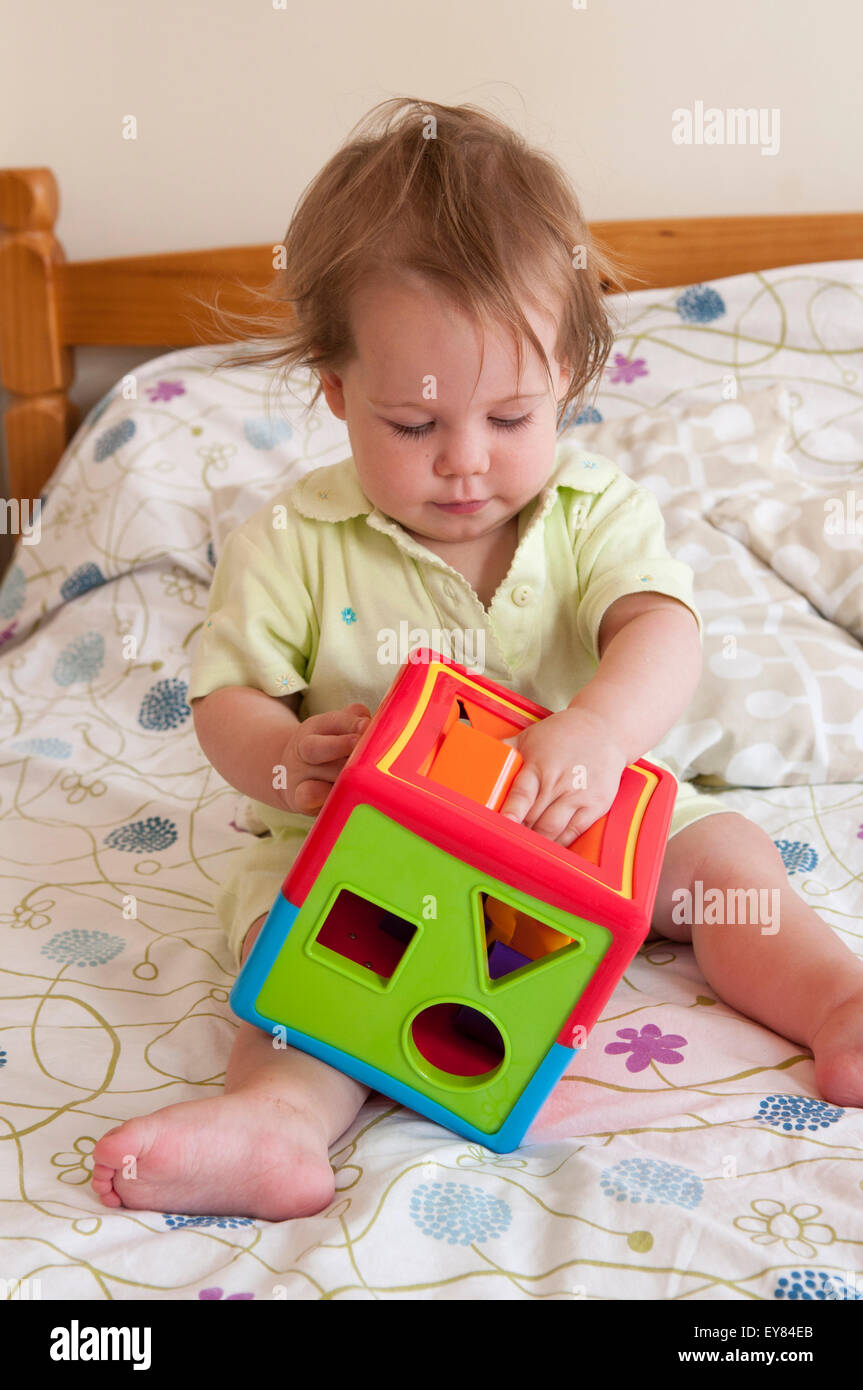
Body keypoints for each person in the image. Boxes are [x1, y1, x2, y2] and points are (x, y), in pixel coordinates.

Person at [91, 98, 863, 1221]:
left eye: (510, 416)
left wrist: (595, 734)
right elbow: (228, 697)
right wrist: (281, 759)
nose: (464, 462)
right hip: (376, 860)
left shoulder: (593, 512)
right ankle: (278, 1119)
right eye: (412, 425)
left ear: (567, 384)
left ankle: (835, 998)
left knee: (733, 864)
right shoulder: (291, 539)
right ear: (338, 393)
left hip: (593, 832)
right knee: (301, 958)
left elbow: (661, 632)